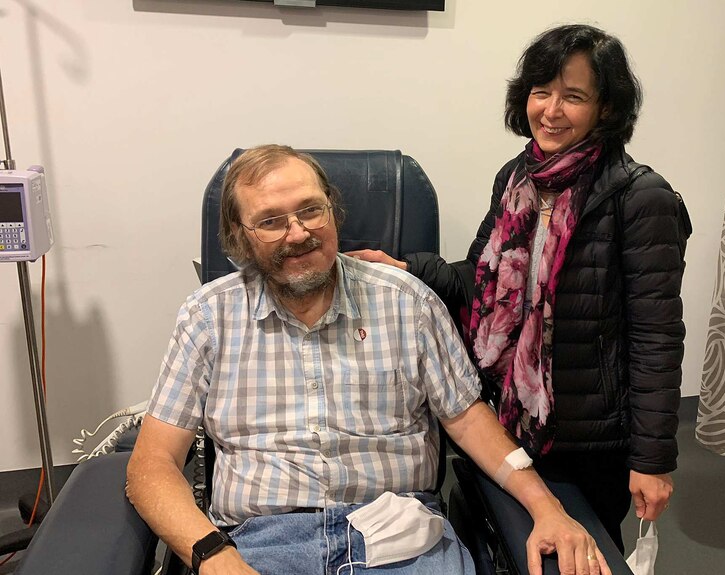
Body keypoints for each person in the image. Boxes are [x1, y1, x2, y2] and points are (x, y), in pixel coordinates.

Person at [126, 144, 614, 575]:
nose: (298, 234)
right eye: (271, 221)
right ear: (241, 235)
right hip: (259, 545)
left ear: (333, 212)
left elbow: (467, 419)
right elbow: (152, 463)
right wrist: (212, 555)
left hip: (402, 539)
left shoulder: (407, 301)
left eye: (311, 211)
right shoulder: (209, 317)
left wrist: (547, 508)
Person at [348, 24, 690, 555]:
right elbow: (480, 280)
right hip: (511, 409)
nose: (551, 110)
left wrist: (652, 460)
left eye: (573, 96)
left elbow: (657, 338)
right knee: (516, 538)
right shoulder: (519, 175)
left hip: (590, 433)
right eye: (541, 91)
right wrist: (406, 266)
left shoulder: (641, 198)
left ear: (606, 108)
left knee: (589, 548)